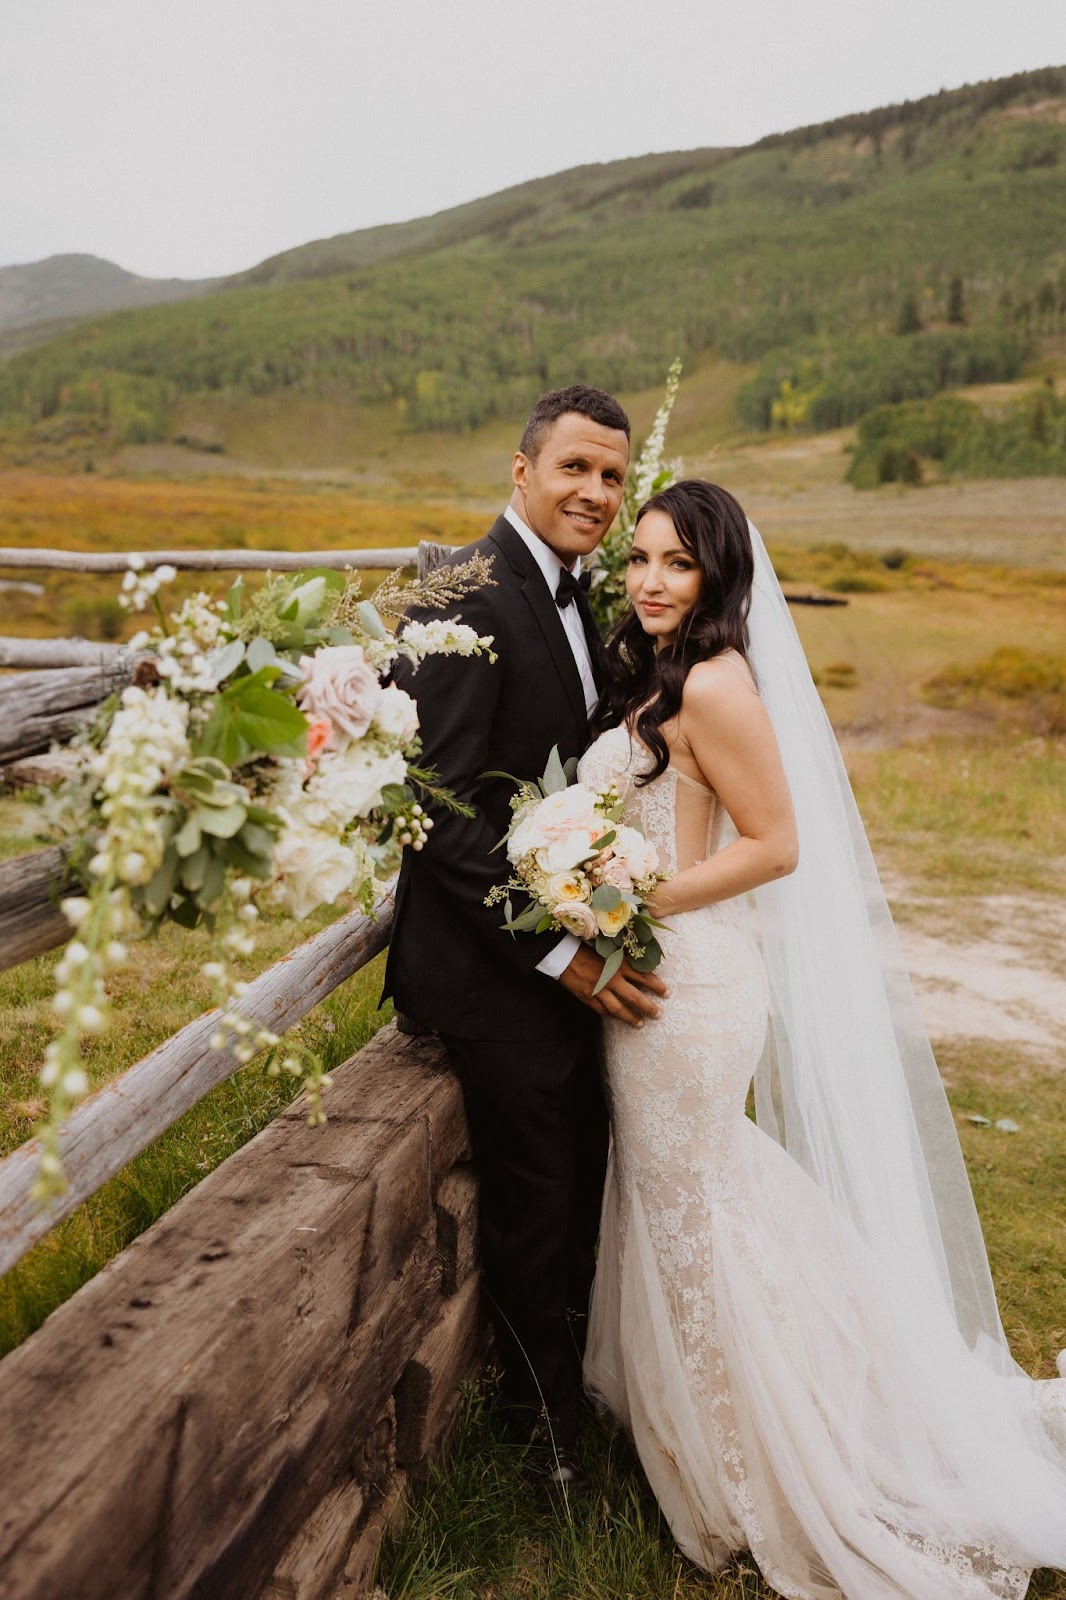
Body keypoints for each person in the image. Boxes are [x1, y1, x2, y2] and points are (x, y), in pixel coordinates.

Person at [580, 479, 1066, 1597]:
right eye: (640, 559)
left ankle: (762, 1462)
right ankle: (747, 1413)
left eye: (676, 565)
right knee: (699, 1198)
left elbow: (778, 842)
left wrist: (640, 901)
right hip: (670, 972)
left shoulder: (713, 682)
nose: (651, 580)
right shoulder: (667, 673)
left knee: (696, 1208)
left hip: (687, 987)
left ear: (716, 579)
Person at [383, 384, 666, 1488]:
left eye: (611, 475)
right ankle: (547, 1451)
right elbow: (441, 811)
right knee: (536, 1195)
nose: (594, 493)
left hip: (557, 951)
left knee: (578, 1178)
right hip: (484, 973)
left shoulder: (577, 596)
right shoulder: (461, 598)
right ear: (520, 470)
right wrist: (560, 955)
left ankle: (577, 1398)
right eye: (574, 470)